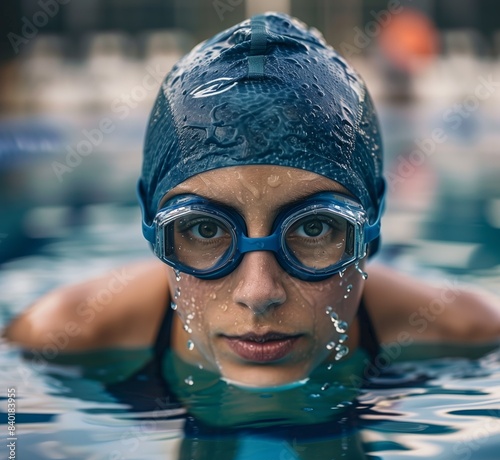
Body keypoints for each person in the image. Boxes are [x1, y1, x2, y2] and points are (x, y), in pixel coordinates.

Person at [4, 13, 500, 390]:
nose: (259, 292)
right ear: (152, 226)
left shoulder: (471, 331)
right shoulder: (59, 338)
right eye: (203, 229)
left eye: (314, 228)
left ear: (371, 224)